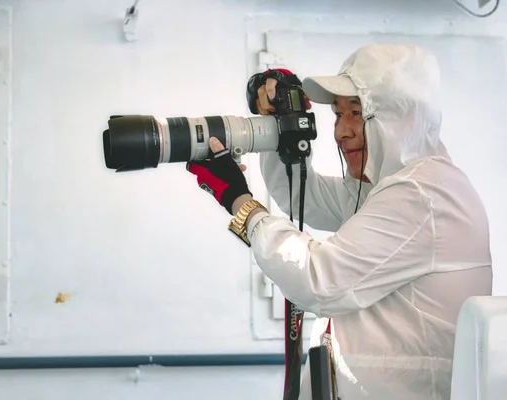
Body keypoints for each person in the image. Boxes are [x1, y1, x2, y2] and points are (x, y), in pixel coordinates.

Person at [186, 43, 493, 399]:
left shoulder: (422, 196)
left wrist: (239, 201)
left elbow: (318, 279)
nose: (340, 132)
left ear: (398, 118)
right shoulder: (389, 187)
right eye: (337, 114)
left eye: (357, 113)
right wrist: (281, 125)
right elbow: (303, 198)